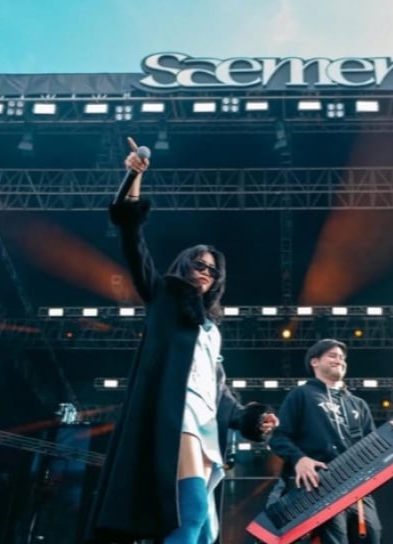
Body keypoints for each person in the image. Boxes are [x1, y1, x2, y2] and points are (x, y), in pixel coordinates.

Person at [86, 137, 280, 544]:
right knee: (189, 516)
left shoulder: (210, 330)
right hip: (179, 417)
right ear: (184, 265)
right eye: (199, 264)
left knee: (205, 532)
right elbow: (131, 236)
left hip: (207, 423)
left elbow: (219, 392)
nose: (205, 271)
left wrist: (252, 418)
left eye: (212, 269)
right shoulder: (164, 296)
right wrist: (133, 178)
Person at [267, 339, 393, 544]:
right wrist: (299, 459)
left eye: (342, 358)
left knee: (372, 536)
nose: (339, 360)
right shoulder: (301, 395)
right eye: (332, 356)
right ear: (315, 362)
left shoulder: (358, 404)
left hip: (357, 487)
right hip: (320, 483)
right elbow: (278, 437)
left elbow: (374, 450)